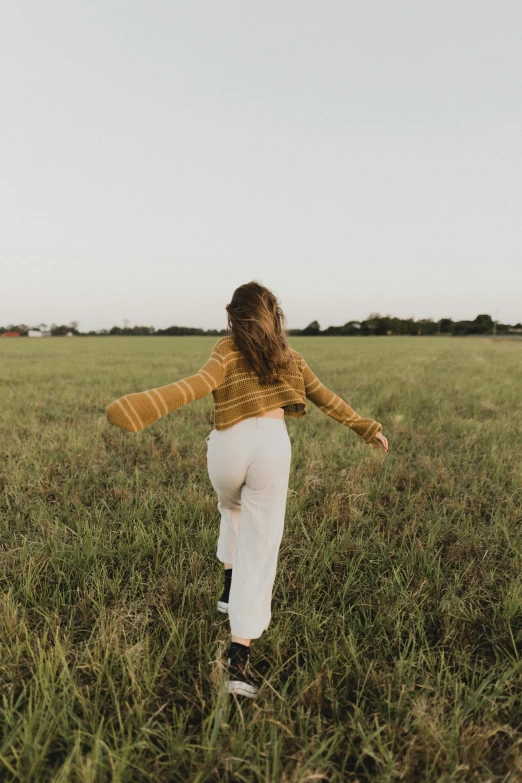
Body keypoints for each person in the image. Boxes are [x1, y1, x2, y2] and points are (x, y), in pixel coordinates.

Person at [105, 281, 388, 699]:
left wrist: (147, 404)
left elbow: (198, 384)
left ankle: (227, 581)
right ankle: (238, 661)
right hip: (273, 447)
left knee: (230, 507)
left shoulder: (225, 348)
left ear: (233, 316)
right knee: (261, 543)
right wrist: (367, 428)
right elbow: (328, 399)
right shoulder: (291, 357)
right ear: (275, 316)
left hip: (227, 448)